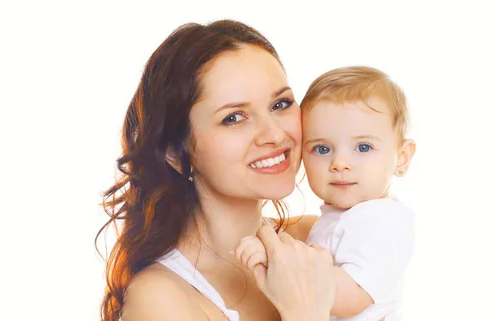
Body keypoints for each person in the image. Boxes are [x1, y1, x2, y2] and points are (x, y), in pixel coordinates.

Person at [95, 19, 335, 321]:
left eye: (280, 104)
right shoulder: (161, 298)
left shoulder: (320, 237)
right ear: (176, 153)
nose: (274, 134)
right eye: (234, 118)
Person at [234, 66, 416, 320]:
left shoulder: (382, 220)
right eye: (322, 149)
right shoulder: (340, 217)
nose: (340, 163)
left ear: (402, 158)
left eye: (363, 147)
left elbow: (353, 296)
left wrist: (279, 261)